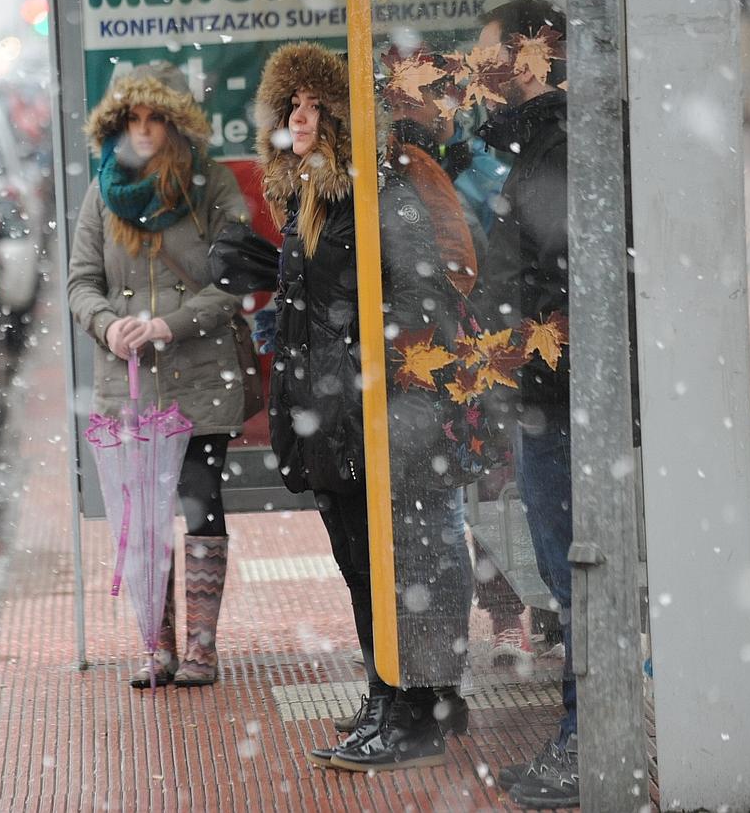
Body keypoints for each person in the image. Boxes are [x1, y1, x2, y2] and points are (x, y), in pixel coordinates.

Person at [248, 42, 474, 773]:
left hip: (373, 413)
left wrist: (375, 382)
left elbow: (418, 298)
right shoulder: (307, 196)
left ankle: (410, 707)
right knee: (358, 562)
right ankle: (387, 699)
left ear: (343, 118)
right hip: (329, 412)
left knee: (393, 562)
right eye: (292, 105)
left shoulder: (376, 194)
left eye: (315, 105)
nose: (300, 117)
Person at [67, 61, 251, 689]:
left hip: (198, 372)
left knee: (200, 501)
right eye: (132, 118)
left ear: (177, 122)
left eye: (155, 117)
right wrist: (106, 323)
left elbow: (236, 280)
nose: (143, 131)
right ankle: (157, 642)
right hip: (131, 382)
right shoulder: (102, 192)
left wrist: (171, 324)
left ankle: (200, 646)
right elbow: (80, 282)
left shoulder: (213, 185)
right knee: (143, 514)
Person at [389, 72, 536, 668]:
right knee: (462, 496)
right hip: (448, 350)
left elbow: (488, 255)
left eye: (435, 99)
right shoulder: (405, 170)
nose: (433, 111)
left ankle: (513, 616)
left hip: (483, 348)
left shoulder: (480, 167)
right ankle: (485, 618)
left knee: (497, 493)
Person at [472, 0, 579, 809]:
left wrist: (514, 350)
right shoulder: (536, 141)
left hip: (563, 398)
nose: (477, 74)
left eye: (487, 56)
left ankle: (588, 739)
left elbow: (561, 275)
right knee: (563, 567)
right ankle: (583, 731)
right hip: (549, 395)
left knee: (576, 572)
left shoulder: (558, 143)